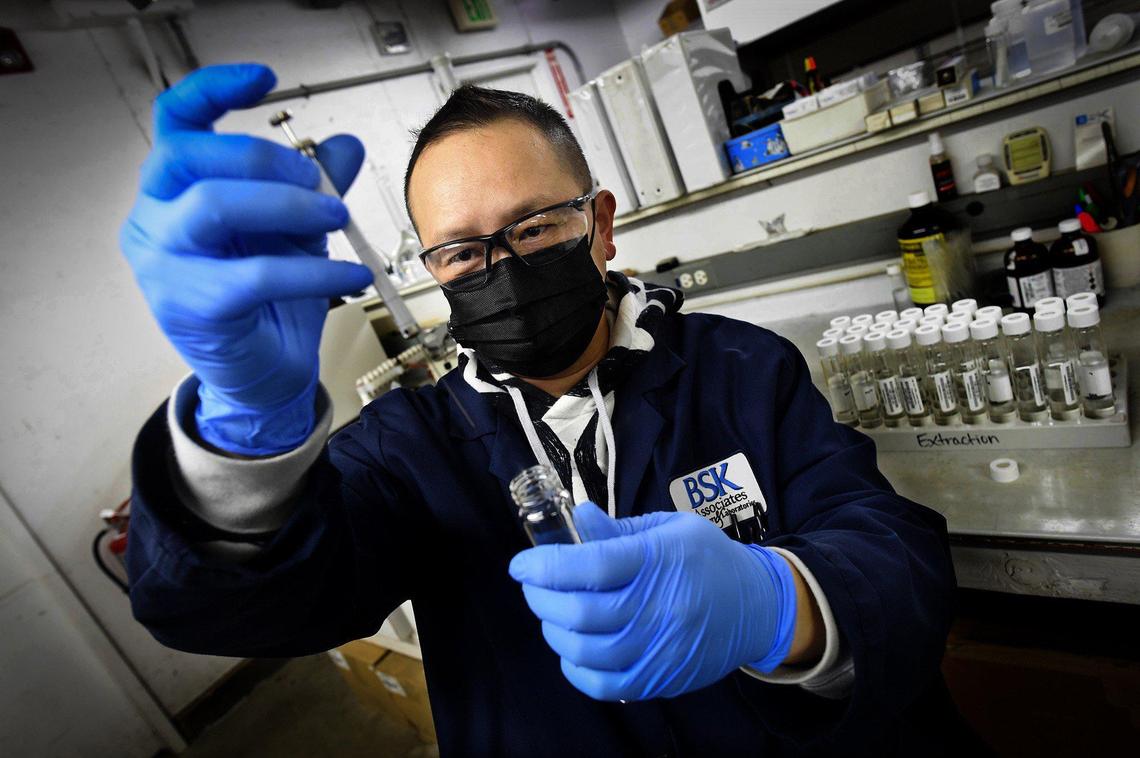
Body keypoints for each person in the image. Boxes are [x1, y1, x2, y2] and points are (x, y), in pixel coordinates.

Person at [122, 64, 969, 756]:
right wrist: (244, 428)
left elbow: (894, 557)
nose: (501, 268)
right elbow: (233, 608)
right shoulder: (407, 448)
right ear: (436, 269)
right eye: (461, 251)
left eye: (531, 229)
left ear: (600, 227)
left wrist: (779, 604)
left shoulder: (740, 368)